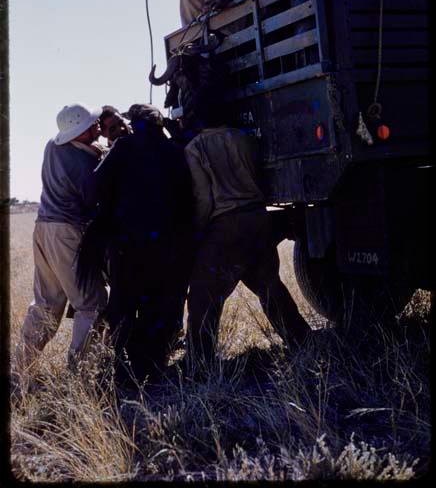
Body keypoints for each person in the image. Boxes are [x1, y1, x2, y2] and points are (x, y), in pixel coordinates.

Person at [184, 104, 310, 373]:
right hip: (257, 217)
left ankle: (198, 363)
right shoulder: (244, 138)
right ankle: (302, 341)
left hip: (225, 225)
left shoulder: (195, 148)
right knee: (269, 285)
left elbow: (204, 198)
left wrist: (198, 230)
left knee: (203, 297)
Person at [80, 104, 194, 387]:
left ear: (134, 123)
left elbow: (93, 187)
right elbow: (189, 199)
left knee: (124, 305)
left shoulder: (123, 149)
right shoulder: (174, 151)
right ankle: (152, 368)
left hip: (127, 247)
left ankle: (121, 371)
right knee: (161, 306)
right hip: (168, 247)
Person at [14, 104, 108, 384]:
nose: (99, 127)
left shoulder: (52, 147)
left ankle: (21, 370)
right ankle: (79, 376)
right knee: (91, 304)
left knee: (45, 305)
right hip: (67, 233)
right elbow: (94, 200)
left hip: (43, 228)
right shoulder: (85, 164)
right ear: (81, 131)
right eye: (94, 125)